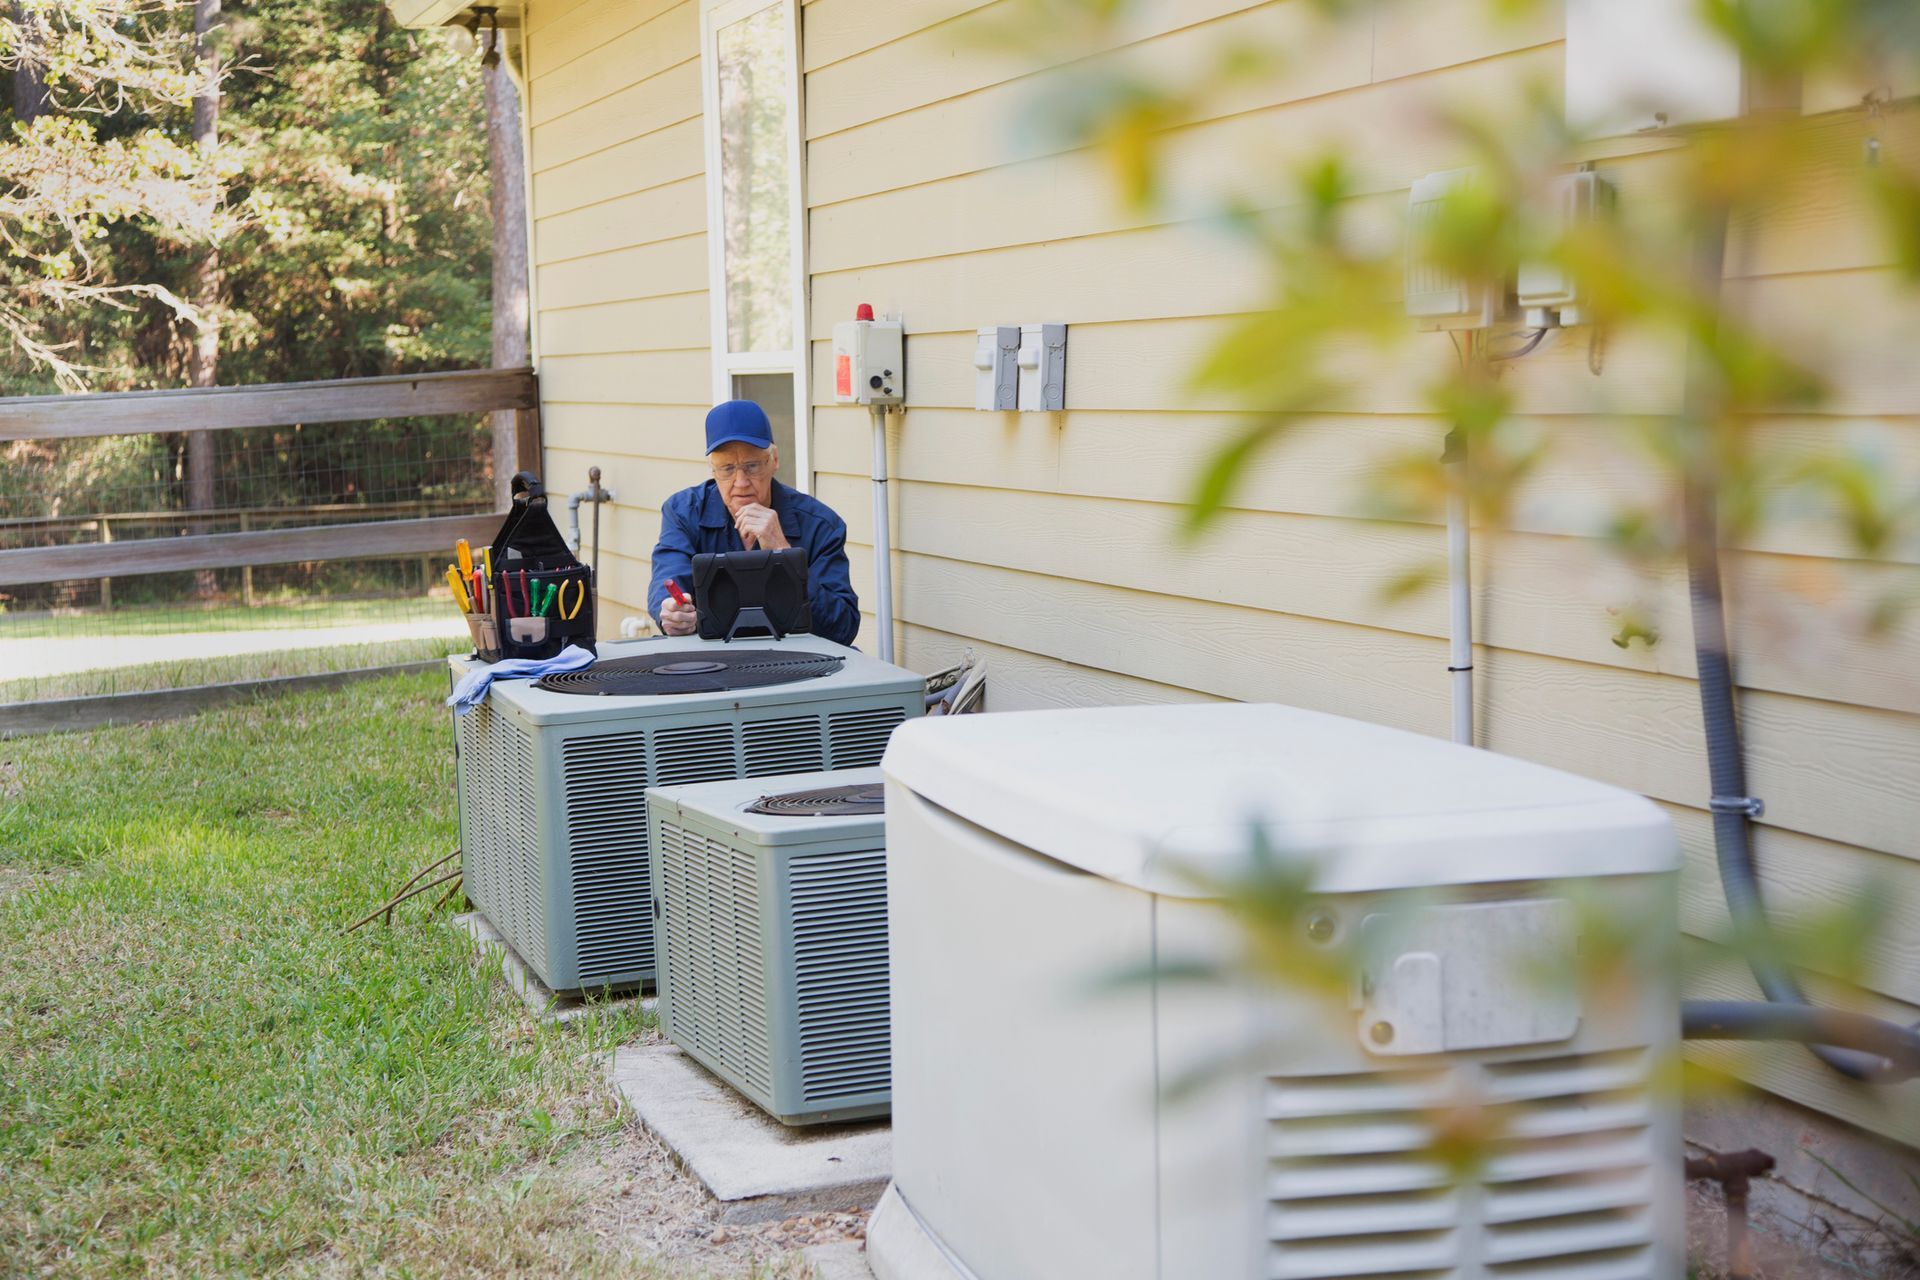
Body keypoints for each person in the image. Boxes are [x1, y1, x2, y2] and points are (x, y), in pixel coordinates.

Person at [647, 400, 860, 646]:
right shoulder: (684, 512)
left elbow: (843, 628)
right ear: (712, 470)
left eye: (752, 466)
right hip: (710, 664)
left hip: (798, 663)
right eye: (727, 468)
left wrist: (783, 554)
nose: (740, 482)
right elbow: (667, 577)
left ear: (774, 460)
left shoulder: (820, 524)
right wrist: (672, 614)